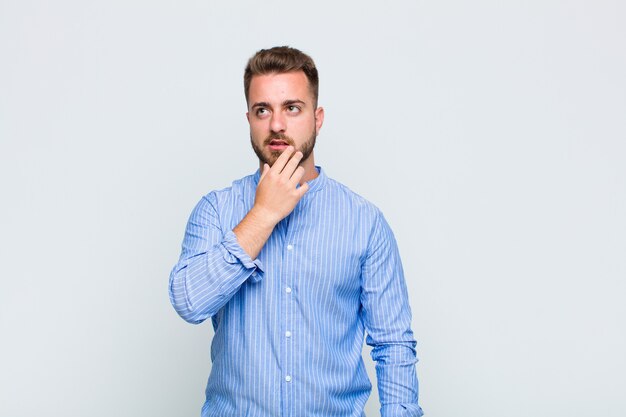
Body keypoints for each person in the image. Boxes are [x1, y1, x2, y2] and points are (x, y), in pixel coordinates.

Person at [169, 46, 423, 417]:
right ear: (249, 119)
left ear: (317, 118)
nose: (276, 124)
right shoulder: (216, 210)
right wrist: (263, 214)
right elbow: (189, 302)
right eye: (263, 110)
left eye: (292, 108)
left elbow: (393, 344)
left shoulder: (364, 222)